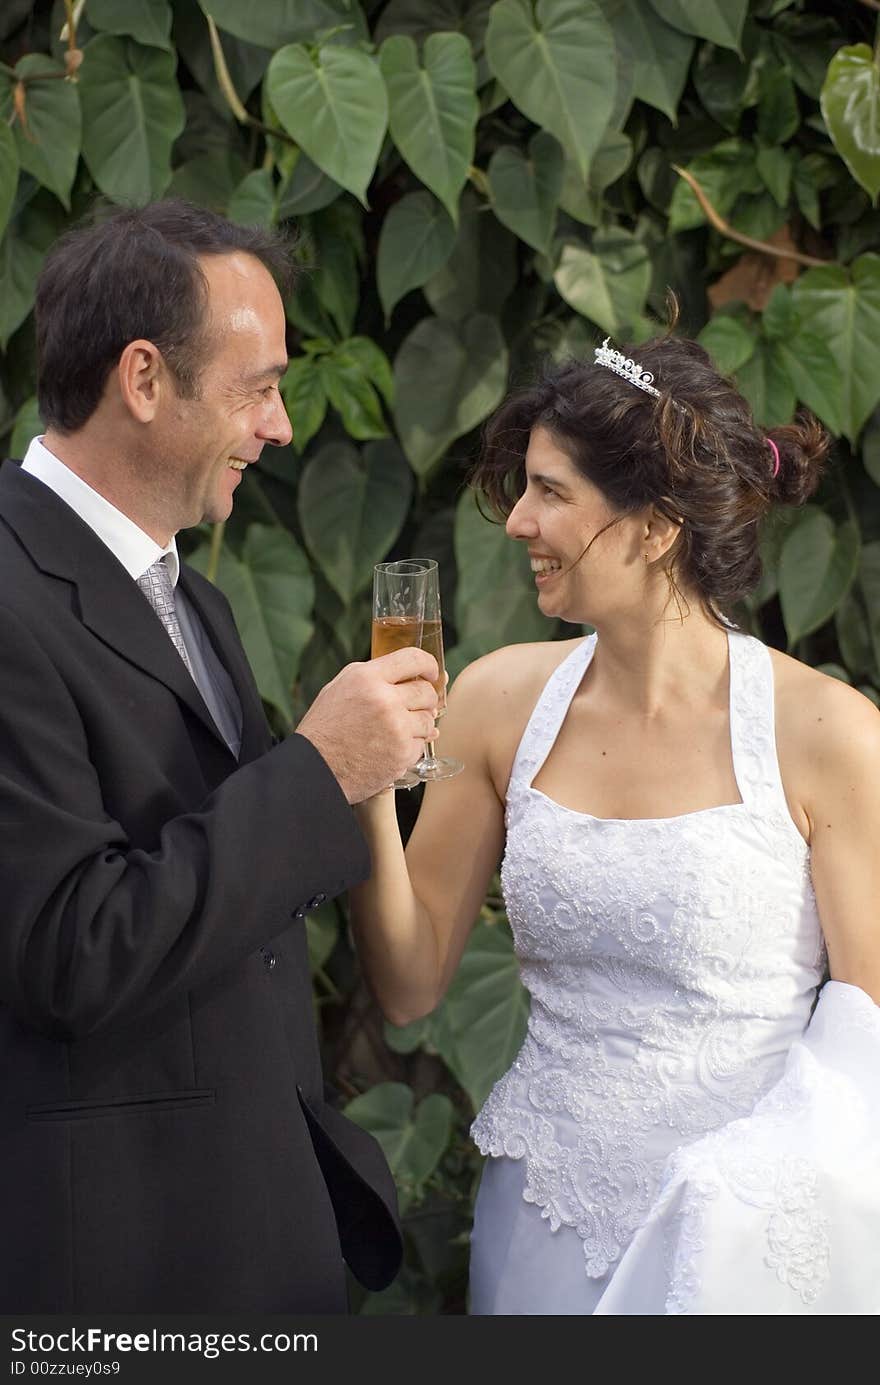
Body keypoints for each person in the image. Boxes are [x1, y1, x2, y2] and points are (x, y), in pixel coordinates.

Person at [348, 331, 880, 1314]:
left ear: (655, 524)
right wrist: (368, 785)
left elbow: (871, 1035)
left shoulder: (830, 735)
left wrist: (746, 1200)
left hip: (746, 1247)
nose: (516, 521)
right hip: (537, 1225)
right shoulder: (497, 699)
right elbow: (412, 982)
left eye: (549, 491)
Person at [0, 199, 440, 1313]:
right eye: (258, 387)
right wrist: (313, 769)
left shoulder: (191, 592)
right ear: (143, 378)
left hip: (243, 1233)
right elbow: (67, 946)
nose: (282, 426)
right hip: (114, 1261)